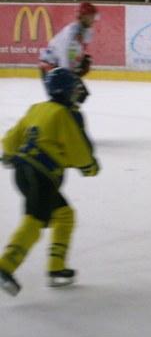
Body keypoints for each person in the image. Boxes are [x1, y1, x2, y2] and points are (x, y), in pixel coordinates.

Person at [0, 68, 100, 297]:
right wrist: (89, 167)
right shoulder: (64, 114)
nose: (77, 92)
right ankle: (5, 265)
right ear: (64, 90)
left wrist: (7, 155)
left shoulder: (38, 108)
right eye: (73, 88)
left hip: (23, 171)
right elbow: (78, 148)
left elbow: (11, 138)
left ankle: (56, 269)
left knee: (64, 214)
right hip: (42, 175)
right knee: (35, 220)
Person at [38, 1, 98, 103]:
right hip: (51, 67)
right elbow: (64, 56)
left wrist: (81, 61)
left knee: (80, 96)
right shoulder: (70, 33)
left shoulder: (87, 32)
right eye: (91, 16)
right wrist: (71, 76)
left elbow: (76, 53)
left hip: (61, 66)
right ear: (83, 17)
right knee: (62, 98)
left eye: (94, 16)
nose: (94, 19)